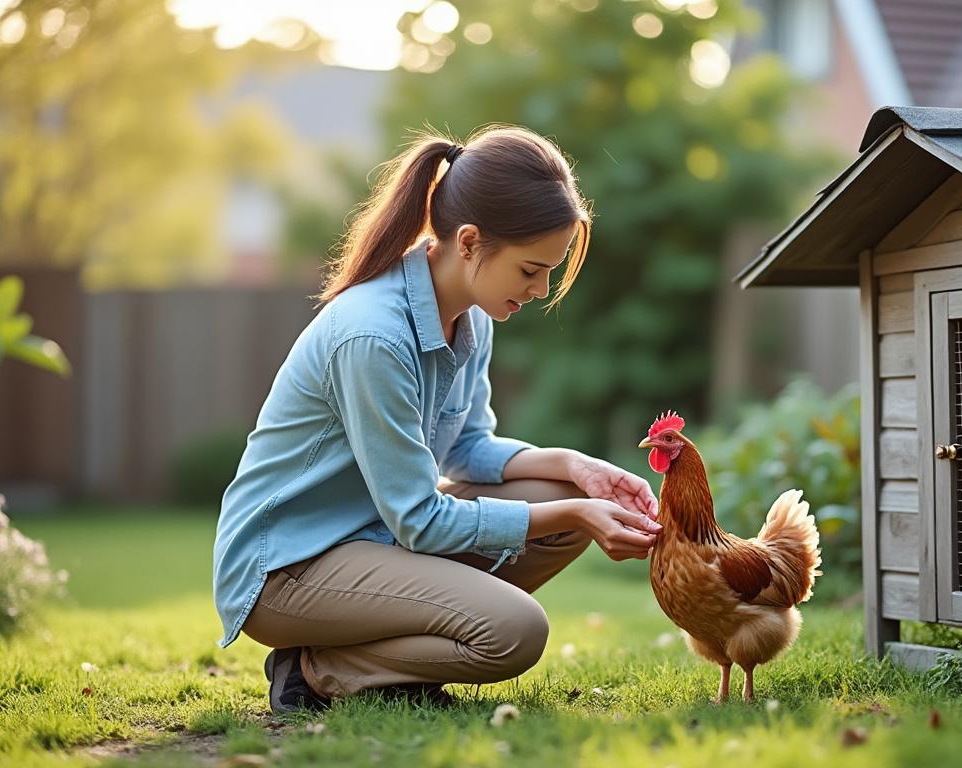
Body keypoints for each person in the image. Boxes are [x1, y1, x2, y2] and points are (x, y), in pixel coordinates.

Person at [212, 125, 661, 714]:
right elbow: (419, 520)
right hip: (291, 567)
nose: (541, 288)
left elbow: (469, 448)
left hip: (377, 542)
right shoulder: (374, 335)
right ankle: (314, 669)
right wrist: (576, 508)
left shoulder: (472, 319)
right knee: (514, 631)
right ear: (470, 242)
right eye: (530, 270)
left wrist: (576, 471)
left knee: (558, 493)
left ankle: (385, 652)